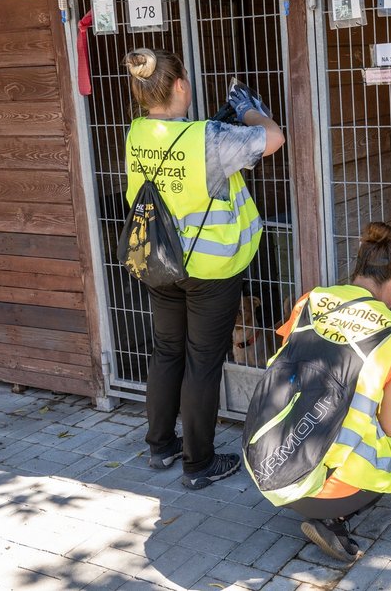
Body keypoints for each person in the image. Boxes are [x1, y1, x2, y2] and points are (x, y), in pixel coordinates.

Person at [122, 48, 285, 489]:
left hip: (158, 261)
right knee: (202, 362)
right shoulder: (208, 137)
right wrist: (250, 111)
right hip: (210, 269)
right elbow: (274, 139)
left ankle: (160, 447)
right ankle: (199, 464)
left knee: (167, 351)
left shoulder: (137, 132)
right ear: (179, 86)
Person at [249, 222, 391, 562]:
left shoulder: (310, 301)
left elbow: (299, 378)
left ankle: (323, 501)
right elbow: (390, 425)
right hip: (318, 489)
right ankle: (334, 518)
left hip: (267, 468)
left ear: (357, 269)